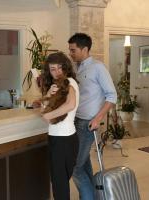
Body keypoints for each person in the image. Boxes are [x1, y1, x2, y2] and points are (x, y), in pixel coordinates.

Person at [68, 33, 117, 200]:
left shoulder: (98, 67)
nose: (71, 53)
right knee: (84, 164)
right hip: (76, 121)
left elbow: (112, 96)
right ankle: (92, 196)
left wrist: (97, 118)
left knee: (75, 167)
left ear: (85, 49)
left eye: (73, 50)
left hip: (88, 124)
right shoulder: (78, 68)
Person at [41, 52, 79, 200]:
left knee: (59, 183)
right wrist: (49, 94)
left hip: (63, 139)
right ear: (48, 71)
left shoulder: (69, 82)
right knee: (60, 182)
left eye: (60, 67)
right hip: (61, 138)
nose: (57, 72)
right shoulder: (58, 85)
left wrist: (48, 116)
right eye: (53, 69)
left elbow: (71, 105)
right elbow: (44, 107)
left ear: (66, 67)